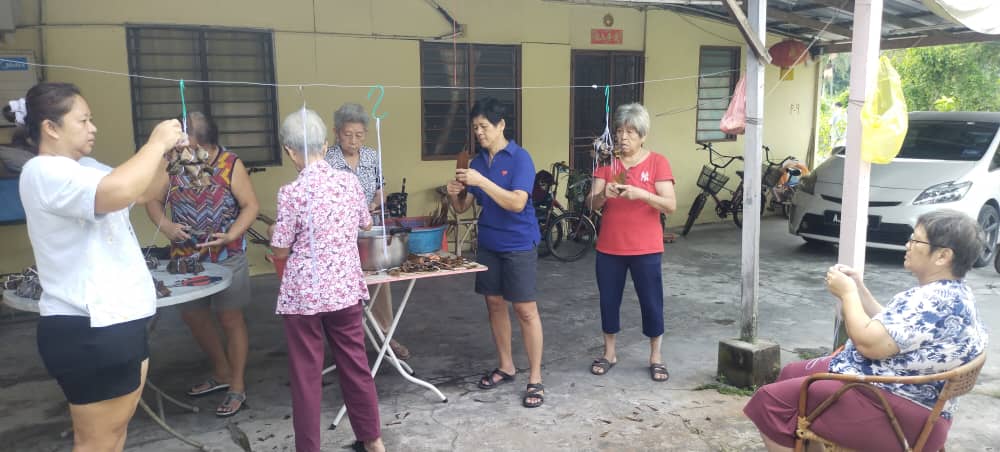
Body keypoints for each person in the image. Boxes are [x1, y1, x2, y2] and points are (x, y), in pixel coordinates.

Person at [18, 82, 186, 451]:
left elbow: (143, 192)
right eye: (83, 120)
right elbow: (118, 192)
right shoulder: (42, 172)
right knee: (95, 443)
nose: (93, 127)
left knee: (113, 437)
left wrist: (165, 157)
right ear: (51, 127)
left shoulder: (86, 168)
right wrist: (154, 143)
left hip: (117, 323)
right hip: (89, 327)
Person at [744, 209, 989, 451]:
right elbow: (896, 329)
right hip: (903, 397)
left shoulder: (931, 300)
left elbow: (869, 344)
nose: (907, 245)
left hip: (897, 412)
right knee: (790, 372)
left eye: (915, 240)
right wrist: (860, 288)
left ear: (943, 256)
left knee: (769, 403)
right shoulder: (953, 293)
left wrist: (848, 293)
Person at [269, 108, 385, 452]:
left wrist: (278, 241)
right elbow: (365, 224)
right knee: (356, 365)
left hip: (304, 297)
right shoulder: (348, 182)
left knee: (306, 377)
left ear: (290, 151)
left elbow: (280, 249)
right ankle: (372, 440)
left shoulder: (291, 193)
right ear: (324, 142)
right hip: (345, 290)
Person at [144, 111, 259, 417]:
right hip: (186, 259)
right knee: (195, 318)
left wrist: (231, 234)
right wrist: (166, 226)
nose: (177, 143)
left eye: (182, 137)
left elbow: (250, 206)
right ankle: (221, 371)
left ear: (195, 141)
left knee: (230, 319)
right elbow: (152, 200)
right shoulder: (171, 163)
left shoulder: (230, 164)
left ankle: (237, 384)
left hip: (227, 255)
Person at [446, 97, 546, 408]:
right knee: (494, 305)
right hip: (489, 243)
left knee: (525, 310)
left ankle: (536, 378)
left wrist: (482, 182)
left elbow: (517, 202)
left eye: (484, 127)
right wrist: (455, 196)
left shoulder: (520, 159)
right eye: (475, 127)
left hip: (518, 243)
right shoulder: (475, 163)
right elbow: (465, 206)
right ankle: (506, 365)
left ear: (501, 125)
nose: (479, 133)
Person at [584, 103, 677, 382]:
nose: (623, 137)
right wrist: (604, 196)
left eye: (631, 132)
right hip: (610, 247)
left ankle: (656, 356)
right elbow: (591, 204)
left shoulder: (657, 162)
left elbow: (670, 205)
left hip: (646, 248)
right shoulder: (606, 165)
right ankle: (609, 352)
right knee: (608, 301)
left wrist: (641, 194)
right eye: (620, 131)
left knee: (651, 301)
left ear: (643, 136)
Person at [324, 102, 410, 360]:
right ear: (337, 133)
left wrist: (374, 203)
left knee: (379, 281)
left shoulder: (372, 156)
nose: (353, 140)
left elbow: (380, 188)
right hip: (338, 233)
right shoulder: (328, 160)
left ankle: (385, 335)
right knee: (344, 286)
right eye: (348, 134)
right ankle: (350, 341)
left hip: (368, 230)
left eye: (359, 135)